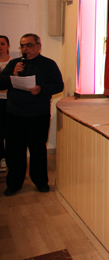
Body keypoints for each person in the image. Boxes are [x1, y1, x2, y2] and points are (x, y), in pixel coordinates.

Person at [0, 34, 64, 196]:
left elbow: (59, 85)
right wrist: (13, 75)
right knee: (14, 151)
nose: (25, 49)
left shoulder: (48, 64)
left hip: (38, 114)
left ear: (38, 46)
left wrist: (41, 89)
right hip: (14, 115)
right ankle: (14, 183)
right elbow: (1, 83)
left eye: (28, 45)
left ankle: (40, 181)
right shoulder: (14, 64)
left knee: (37, 150)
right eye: (22, 46)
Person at [0, 35, 10, 173]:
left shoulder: (14, 62)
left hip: (11, 101)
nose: (0, 46)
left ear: (8, 45)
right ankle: (1, 158)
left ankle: (10, 158)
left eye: (2, 43)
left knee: (11, 131)